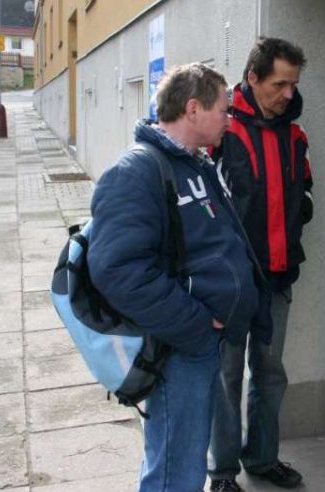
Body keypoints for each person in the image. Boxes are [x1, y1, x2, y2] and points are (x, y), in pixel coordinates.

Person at [87, 63, 261, 492]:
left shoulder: (194, 165)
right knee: (175, 468)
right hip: (178, 345)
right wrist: (196, 325)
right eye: (224, 109)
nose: (230, 118)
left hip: (199, 342)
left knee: (184, 459)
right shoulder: (138, 171)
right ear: (193, 108)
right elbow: (118, 271)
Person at [208, 38, 313, 491]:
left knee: (270, 372)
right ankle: (224, 472)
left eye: (293, 84)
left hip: (277, 275)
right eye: (279, 83)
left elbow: (304, 194)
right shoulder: (221, 131)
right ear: (252, 79)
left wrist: (296, 221)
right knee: (227, 376)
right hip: (231, 283)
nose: (288, 94)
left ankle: (263, 458)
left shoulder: (295, 135)